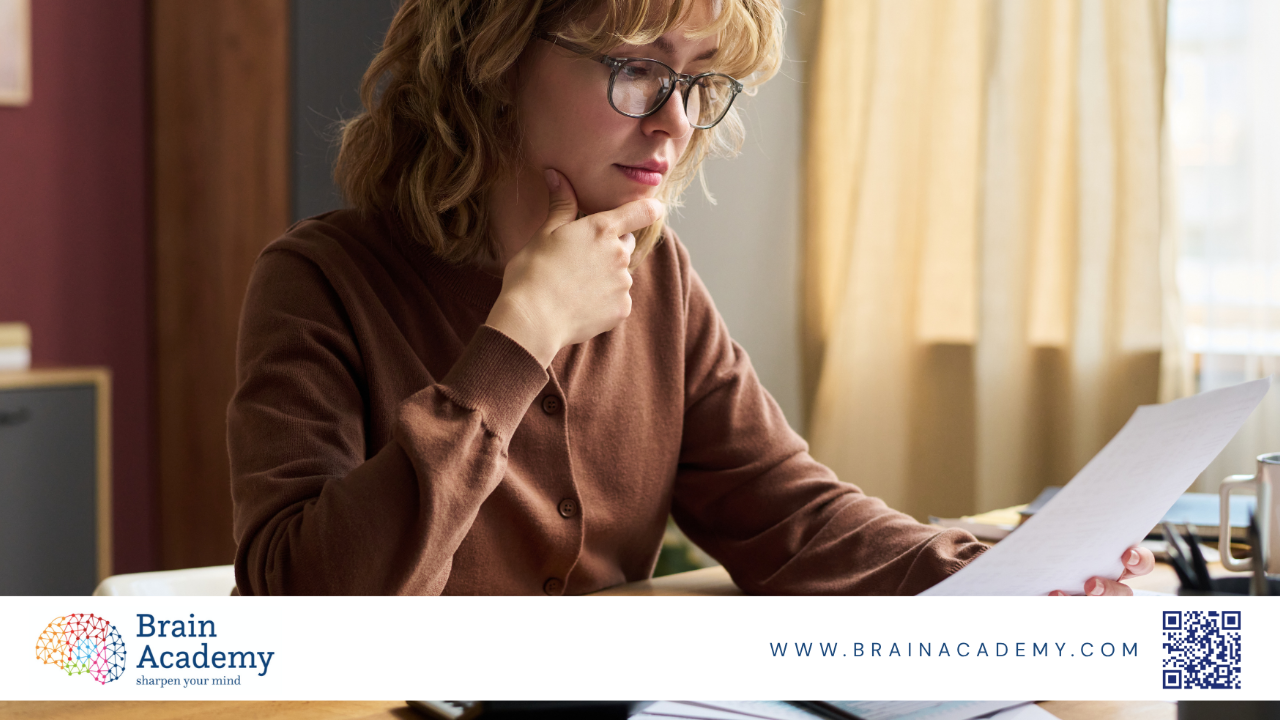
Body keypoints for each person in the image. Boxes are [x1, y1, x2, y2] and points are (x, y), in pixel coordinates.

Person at [227, 0, 1154, 596]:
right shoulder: (318, 283)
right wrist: (523, 334)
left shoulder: (658, 279)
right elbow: (305, 613)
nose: (675, 120)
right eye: (639, 69)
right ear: (496, 56)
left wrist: (1014, 573)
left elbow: (792, 518)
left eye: (700, 82)